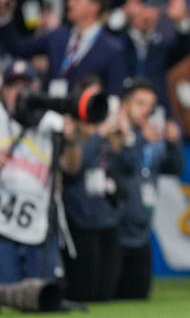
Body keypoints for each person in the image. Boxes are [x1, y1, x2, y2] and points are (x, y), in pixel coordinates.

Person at [0, 59, 82, 284]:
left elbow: (72, 167)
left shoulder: (51, 122)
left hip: (41, 223)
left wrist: (72, 140)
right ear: (4, 90)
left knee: (40, 297)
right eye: (15, 85)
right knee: (7, 294)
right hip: (3, 225)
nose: (21, 92)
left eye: (27, 85)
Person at [61, 76, 131, 302]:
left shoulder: (111, 134)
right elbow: (74, 167)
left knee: (106, 293)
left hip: (108, 218)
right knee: (83, 292)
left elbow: (128, 165)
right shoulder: (71, 131)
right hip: (81, 218)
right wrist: (98, 134)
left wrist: (126, 133)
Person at [114, 77, 183, 300]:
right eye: (140, 104)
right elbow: (124, 163)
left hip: (141, 233)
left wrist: (173, 144)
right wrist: (138, 140)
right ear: (125, 105)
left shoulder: (153, 139)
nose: (147, 111)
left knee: (139, 297)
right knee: (110, 296)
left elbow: (175, 168)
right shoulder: (114, 134)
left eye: (151, 106)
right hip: (115, 232)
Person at [0, 0, 127, 95]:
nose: (69, 3)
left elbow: (114, 93)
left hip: (83, 116)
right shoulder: (58, 35)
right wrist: (5, 16)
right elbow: (19, 48)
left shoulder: (112, 48)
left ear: (94, 7)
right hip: (48, 112)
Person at [109, 0, 190, 111]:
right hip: (121, 106)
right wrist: (124, 12)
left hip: (155, 110)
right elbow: (106, 34)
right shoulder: (119, 41)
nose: (147, 13)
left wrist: (181, 19)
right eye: (143, 7)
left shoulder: (161, 46)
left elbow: (184, 49)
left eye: (153, 8)